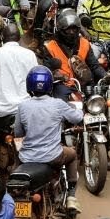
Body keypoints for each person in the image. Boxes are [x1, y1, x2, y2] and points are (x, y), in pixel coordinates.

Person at [14, 67, 84, 211]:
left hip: (27, 157)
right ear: (50, 85)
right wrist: (79, 110)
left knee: (15, 163)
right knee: (71, 154)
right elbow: (77, 118)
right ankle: (71, 195)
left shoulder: (22, 106)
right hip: (53, 156)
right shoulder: (57, 104)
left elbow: (18, 133)